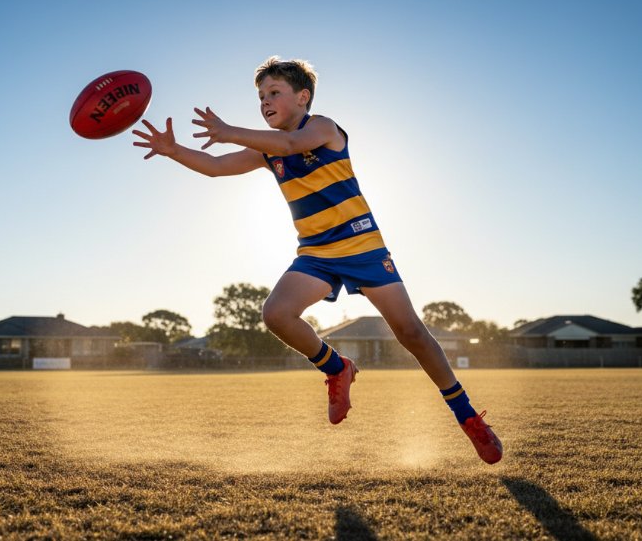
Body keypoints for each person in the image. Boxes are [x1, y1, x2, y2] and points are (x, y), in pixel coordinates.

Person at [132, 56, 502, 464]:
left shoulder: (324, 127)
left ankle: (468, 417)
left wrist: (229, 131)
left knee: (411, 331)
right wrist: (172, 150)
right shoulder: (266, 151)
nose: (264, 101)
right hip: (316, 253)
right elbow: (217, 167)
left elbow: (292, 145)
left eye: (274, 92)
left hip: (362, 246)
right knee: (276, 314)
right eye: (260, 96)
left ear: (303, 97)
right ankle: (336, 367)